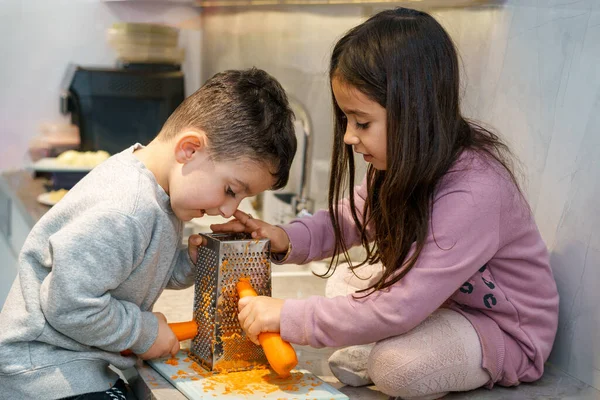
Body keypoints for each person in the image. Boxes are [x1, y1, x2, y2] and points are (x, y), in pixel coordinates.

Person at [212, 8, 559, 400]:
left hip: (498, 329)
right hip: (435, 302)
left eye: (361, 123)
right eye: (347, 120)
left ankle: (383, 352)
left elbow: (402, 305)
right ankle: (381, 343)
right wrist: (283, 238)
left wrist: (289, 316)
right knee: (344, 280)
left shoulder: (475, 192)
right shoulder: (399, 161)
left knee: (396, 369)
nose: (348, 137)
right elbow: (348, 220)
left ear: (415, 113)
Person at [0, 67, 297, 400]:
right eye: (230, 189)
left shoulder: (160, 192)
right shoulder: (125, 210)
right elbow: (70, 306)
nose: (229, 210)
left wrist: (187, 262)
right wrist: (143, 333)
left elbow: (131, 268)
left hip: (72, 364)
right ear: (189, 150)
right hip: (41, 372)